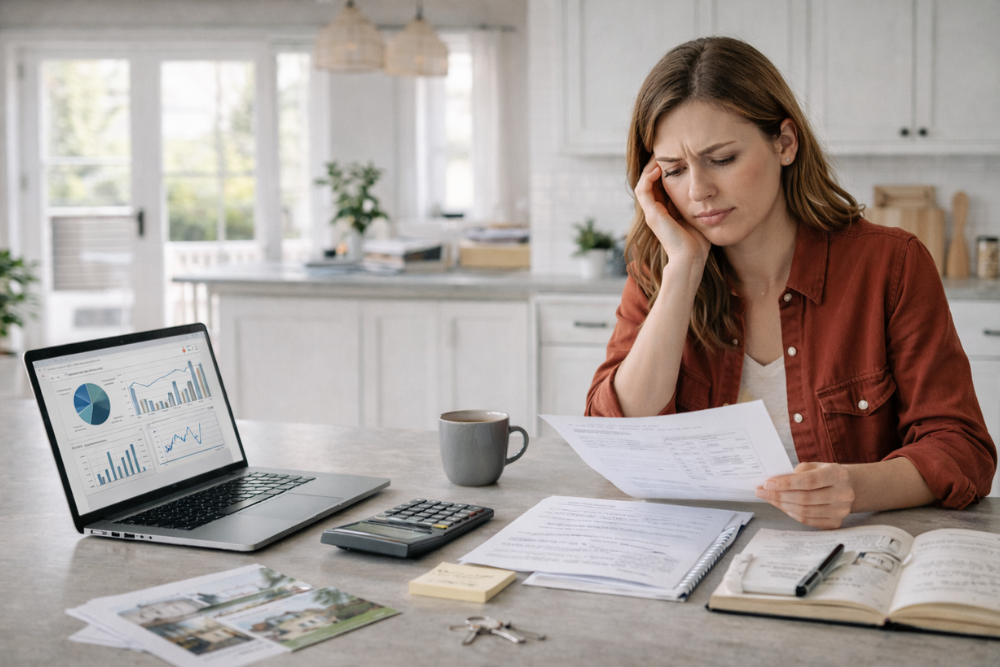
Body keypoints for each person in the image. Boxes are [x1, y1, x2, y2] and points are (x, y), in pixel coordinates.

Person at [586, 36, 996, 529]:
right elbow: (615, 439)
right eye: (673, 170)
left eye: (723, 159)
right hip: (697, 549)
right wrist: (683, 271)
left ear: (784, 143)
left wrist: (856, 487)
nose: (698, 190)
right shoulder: (661, 269)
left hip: (847, 550)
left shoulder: (891, 264)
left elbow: (962, 448)